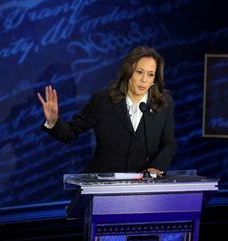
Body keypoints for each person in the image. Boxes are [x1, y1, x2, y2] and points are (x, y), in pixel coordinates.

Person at [37, 46, 176, 176]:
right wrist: (53, 121)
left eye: (150, 75)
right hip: (104, 185)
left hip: (143, 186)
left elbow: (168, 144)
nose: (144, 80)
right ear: (129, 72)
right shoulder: (103, 101)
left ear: (154, 79)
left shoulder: (164, 103)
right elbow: (70, 133)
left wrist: (156, 167)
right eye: (139, 72)